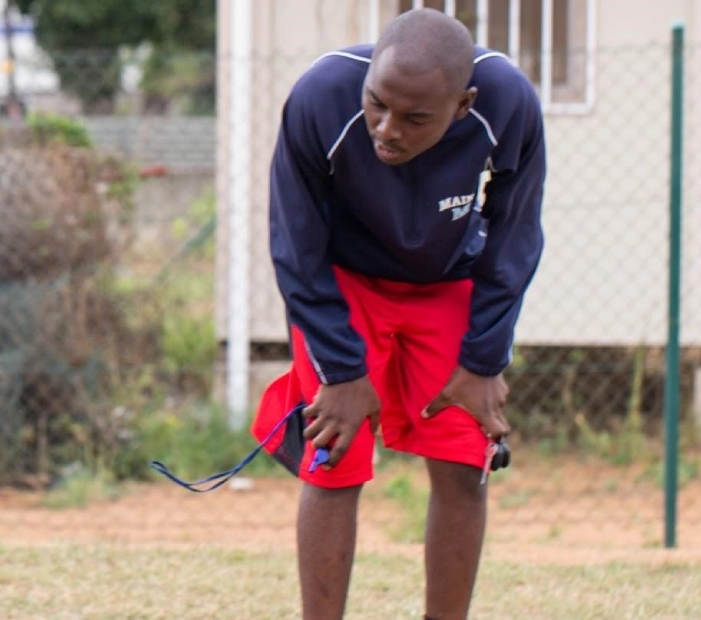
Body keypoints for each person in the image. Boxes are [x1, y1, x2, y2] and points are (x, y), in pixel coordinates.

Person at [256, 9, 546, 620]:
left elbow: (514, 235)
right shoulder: (320, 97)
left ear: (463, 105)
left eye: (415, 118)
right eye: (377, 104)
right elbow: (295, 244)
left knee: (463, 462)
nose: (387, 129)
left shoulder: (509, 104)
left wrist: (483, 359)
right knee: (332, 458)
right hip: (344, 285)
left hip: (447, 285)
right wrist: (340, 369)